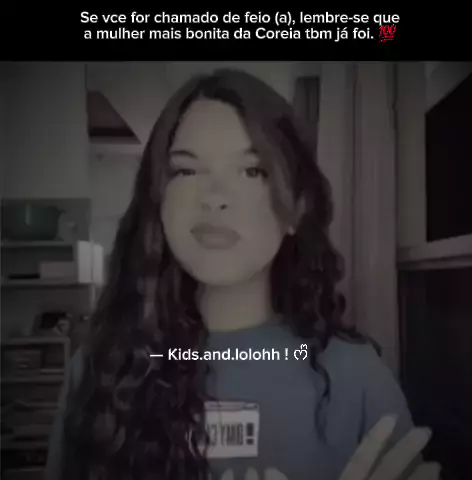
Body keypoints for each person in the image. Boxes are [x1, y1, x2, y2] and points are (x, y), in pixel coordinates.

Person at [45, 68, 440, 480]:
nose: (214, 197)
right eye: (187, 171)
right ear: (158, 200)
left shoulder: (356, 376)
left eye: (253, 171)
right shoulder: (99, 368)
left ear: (298, 208)